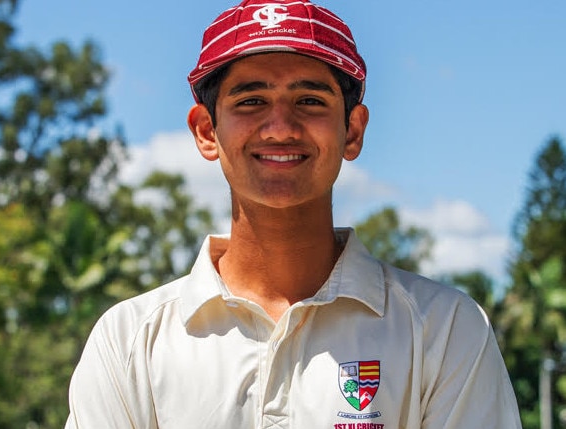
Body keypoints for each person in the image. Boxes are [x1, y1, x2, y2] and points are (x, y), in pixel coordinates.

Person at [65, 0, 522, 428]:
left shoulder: (444, 330)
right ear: (206, 131)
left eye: (310, 101)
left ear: (352, 131)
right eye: (250, 101)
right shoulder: (130, 341)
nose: (280, 127)